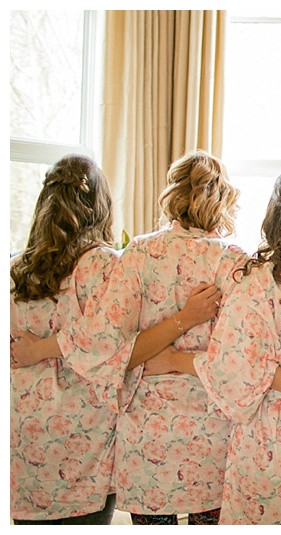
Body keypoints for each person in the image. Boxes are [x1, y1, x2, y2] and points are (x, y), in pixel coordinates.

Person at [29, 150, 248, 524]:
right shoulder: (234, 262)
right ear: (223, 197)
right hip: (212, 430)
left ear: (173, 195)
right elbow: (241, 358)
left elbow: (105, 344)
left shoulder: (140, 253)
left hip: (148, 435)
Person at [147, 169, 281, 524]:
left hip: (265, 450)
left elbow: (236, 368)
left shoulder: (253, 285)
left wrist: (175, 358)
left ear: (273, 216)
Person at [9, 154, 119, 524]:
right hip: (83, 432)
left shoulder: (16, 267)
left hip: (24, 428)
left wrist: (33, 350)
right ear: (99, 205)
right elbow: (105, 339)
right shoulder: (102, 265)